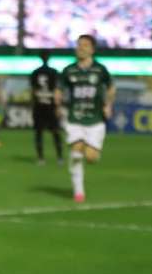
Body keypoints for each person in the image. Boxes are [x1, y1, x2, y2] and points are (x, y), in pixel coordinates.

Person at [56, 34, 114, 202]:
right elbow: (60, 89)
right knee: (76, 150)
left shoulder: (100, 70)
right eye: (79, 45)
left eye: (85, 45)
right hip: (75, 118)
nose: (80, 48)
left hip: (95, 121)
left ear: (92, 49)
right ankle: (78, 191)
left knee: (90, 157)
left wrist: (108, 104)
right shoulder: (69, 70)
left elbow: (110, 88)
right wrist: (58, 104)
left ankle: (90, 154)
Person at [29, 51, 62, 164]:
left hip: (39, 106)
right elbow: (57, 91)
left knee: (38, 133)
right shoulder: (54, 72)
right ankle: (60, 157)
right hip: (51, 106)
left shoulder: (35, 72)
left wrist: (32, 105)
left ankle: (40, 158)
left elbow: (33, 91)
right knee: (55, 132)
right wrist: (58, 107)